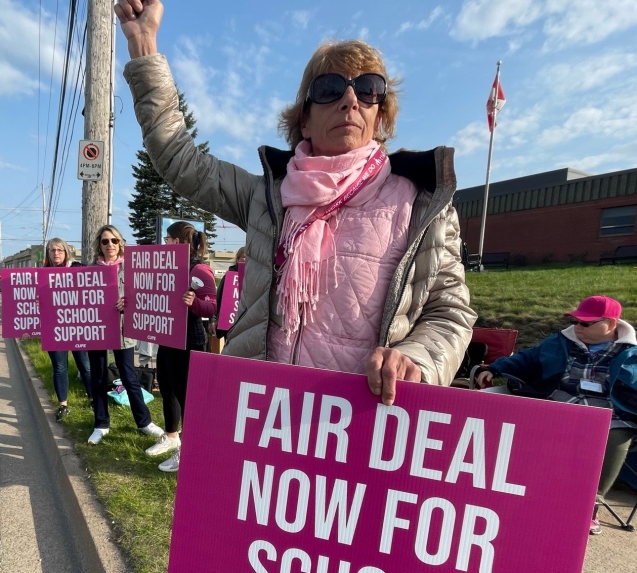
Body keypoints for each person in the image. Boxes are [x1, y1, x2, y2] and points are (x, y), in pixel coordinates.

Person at [114, 0, 475, 407]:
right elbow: (179, 158)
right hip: (263, 422)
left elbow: (450, 313)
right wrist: (144, 47)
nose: (350, 100)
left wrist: (415, 359)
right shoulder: (267, 197)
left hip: (361, 430)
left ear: (380, 114)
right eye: (330, 88)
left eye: (368, 88)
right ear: (304, 118)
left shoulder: (424, 207)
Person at [473, 295, 637, 535]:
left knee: (612, 435)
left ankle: (588, 505)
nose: (578, 327)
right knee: (510, 421)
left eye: (586, 323)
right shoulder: (560, 341)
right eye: (576, 321)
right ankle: (507, 491)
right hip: (560, 405)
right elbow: (527, 359)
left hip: (615, 413)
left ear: (610, 323)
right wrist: (496, 368)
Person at [145, 221, 217, 472]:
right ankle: (172, 436)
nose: (165, 243)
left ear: (178, 242)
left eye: (168, 239)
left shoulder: (199, 269)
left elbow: (212, 306)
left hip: (190, 339)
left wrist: (194, 303)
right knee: (167, 388)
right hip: (169, 336)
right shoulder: (167, 267)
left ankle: (190, 451)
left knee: (188, 396)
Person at [86, 224, 164, 445]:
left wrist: (128, 304)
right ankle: (101, 424)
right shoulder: (90, 270)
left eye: (114, 240)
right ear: (99, 245)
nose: (109, 245)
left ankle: (144, 422)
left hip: (123, 330)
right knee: (99, 376)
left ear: (120, 243)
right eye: (104, 241)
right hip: (97, 331)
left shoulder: (130, 269)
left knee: (129, 377)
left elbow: (144, 298)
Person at [42, 237, 92, 421]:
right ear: (48, 253)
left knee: (85, 366)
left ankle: (93, 398)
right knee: (59, 367)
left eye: (59, 250)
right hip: (54, 328)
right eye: (52, 250)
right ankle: (63, 405)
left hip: (76, 327)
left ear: (66, 252)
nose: (56, 253)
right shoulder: (42, 274)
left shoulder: (78, 267)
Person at [214, 246, 246, 340]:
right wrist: (214, 318)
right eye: (244, 257)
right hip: (229, 326)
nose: (246, 260)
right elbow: (218, 298)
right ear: (238, 259)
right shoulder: (229, 276)